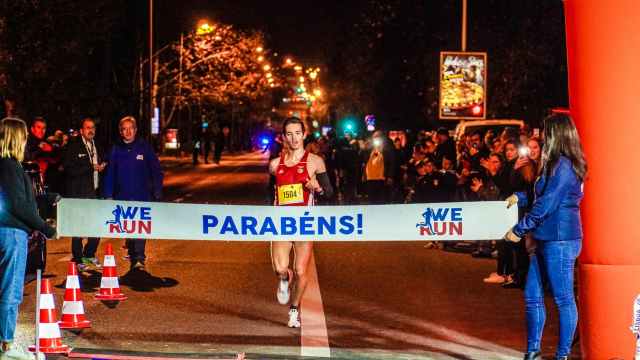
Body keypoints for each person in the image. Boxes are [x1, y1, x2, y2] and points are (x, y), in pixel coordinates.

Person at [504, 114, 587, 360]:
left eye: (545, 131)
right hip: (545, 237)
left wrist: (519, 229)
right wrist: (522, 197)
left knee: (563, 299)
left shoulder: (564, 165)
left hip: (560, 239)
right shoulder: (554, 163)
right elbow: (543, 195)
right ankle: (533, 349)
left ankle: (561, 355)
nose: (541, 136)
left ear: (557, 134)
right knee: (532, 296)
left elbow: (549, 203)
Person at [268, 117, 333, 328]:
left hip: (305, 223)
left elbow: (330, 193)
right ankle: (284, 279)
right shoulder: (274, 165)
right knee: (280, 268)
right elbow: (270, 195)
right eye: (289, 134)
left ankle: (294, 310)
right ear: (283, 137)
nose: (294, 138)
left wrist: (318, 188)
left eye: (297, 133)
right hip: (281, 224)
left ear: (304, 134)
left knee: (301, 271)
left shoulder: (315, 161)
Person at [0, 117, 56, 359]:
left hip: (8, 230)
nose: (26, 142)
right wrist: (46, 228)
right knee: (11, 291)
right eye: (23, 137)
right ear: (15, 138)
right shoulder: (10, 166)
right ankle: (7, 345)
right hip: (12, 233)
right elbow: (18, 205)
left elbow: (21, 199)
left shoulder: (8, 165)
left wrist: (46, 198)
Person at [103, 116, 163, 271]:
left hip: (142, 196)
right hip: (122, 196)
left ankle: (139, 257)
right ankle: (132, 248)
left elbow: (156, 170)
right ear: (121, 132)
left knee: (140, 226)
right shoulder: (115, 149)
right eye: (124, 129)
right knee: (128, 226)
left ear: (135, 130)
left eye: (131, 128)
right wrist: (108, 194)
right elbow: (109, 174)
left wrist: (157, 190)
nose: (128, 131)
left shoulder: (144, 147)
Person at [63, 117, 106, 272]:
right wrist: (90, 167)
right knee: (78, 228)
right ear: (81, 130)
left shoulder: (97, 146)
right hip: (78, 193)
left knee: (97, 226)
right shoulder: (73, 146)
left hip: (94, 192)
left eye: (93, 127)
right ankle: (78, 258)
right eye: (87, 127)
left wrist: (102, 166)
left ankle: (89, 254)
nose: (91, 130)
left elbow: (101, 164)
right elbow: (68, 169)